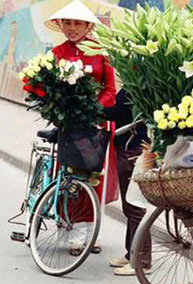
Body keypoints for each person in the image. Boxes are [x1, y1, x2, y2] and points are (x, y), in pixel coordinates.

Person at [45, 0, 119, 254]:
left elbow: (110, 90)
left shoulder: (101, 52)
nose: (72, 28)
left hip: (95, 125)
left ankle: (91, 233)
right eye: (67, 23)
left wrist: (93, 109)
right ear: (60, 25)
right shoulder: (56, 53)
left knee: (92, 176)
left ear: (88, 25)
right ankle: (70, 230)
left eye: (78, 23)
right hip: (69, 125)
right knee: (67, 176)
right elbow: (50, 89)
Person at [103, 89, 152, 276]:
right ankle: (131, 253)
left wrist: (94, 109)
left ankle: (142, 261)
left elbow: (120, 113)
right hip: (127, 148)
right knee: (129, 207)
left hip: (133, 150)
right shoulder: (132, 83)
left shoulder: (137, 86)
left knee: (135, 208)